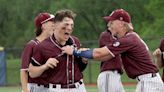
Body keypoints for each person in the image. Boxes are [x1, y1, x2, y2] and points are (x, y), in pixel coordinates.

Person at [62, 9, 164, 92]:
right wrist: (85, 52)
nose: (109, 25)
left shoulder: (128, 39)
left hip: (148, 83)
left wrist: (75, 51)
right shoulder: (131, 36)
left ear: (121, 23)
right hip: (148, 81)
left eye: (112, 22)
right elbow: (105, 56)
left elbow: (99, 53)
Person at [29, 9, 87, 92]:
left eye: (72, 25)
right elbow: (31, 73)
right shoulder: (43, 46)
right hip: (57, 89)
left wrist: (84, 60)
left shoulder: (75, 41)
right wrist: (45, 66)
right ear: (55, 25)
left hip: (79, 87)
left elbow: (79, 68)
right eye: (66, 24)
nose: (69, 28)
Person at [20, 12, 55, 92]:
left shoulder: (51, 45)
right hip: (34, 88)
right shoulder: (31, 45)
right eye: (51, 22)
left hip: (48, 88)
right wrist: (25, 90)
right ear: (43, 25)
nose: (54, 24)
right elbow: (24, 71)